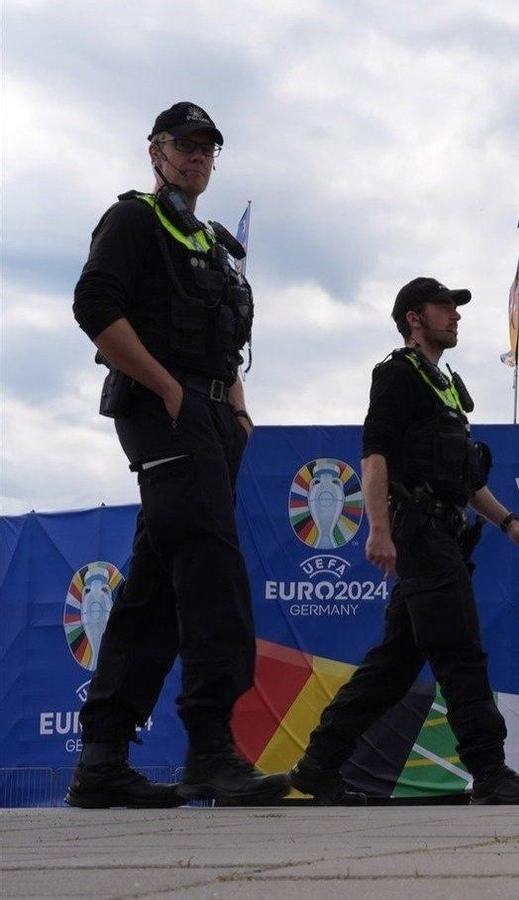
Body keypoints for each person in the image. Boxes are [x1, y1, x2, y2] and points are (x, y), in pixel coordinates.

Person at [67, 102, 287, 807]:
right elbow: (95, 310)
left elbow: (223, 340)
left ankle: (101, 760)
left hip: (218, 418)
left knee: (157, 590)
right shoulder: (133, 219)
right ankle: (210, 749)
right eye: (182, 146)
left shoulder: (217, 244)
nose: (195, 158)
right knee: (213, 570)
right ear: (155, 152)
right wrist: (168, 391)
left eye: (205, 149)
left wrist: (240, 409)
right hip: (168, 413)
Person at [287, 277, 519, 805]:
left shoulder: (447, 385)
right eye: (444, 307)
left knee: (393, 667)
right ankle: (489, 771)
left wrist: (509, 524)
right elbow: (374, 455)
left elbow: (465, 479)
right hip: (418, 532)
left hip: (444, 533)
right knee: (460, 651)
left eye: (456, 308)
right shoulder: (396, 374)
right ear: (414, 318)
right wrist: (379, 532)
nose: (455, 316)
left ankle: (317, 767)